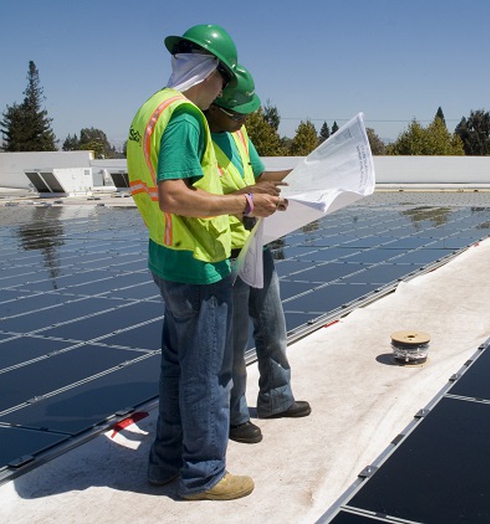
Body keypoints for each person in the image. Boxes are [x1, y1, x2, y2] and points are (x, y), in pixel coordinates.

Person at [126, 24, 281, 501]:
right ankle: (203, 473)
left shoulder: (152, 107)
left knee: (176, 368)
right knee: (207, 374)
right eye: (224, 82)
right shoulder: (186, 115)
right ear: (212, 72)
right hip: (197, 262)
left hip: (167, 256)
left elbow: (172, 193)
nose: (223, 93)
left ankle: (164, 463)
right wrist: (245, 206)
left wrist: (246, 194)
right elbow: (175, 196)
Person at [204, 65, 311, 445]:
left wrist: (306, 172)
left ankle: (276, 397)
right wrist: (247, 195)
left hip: (256, 242)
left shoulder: (238, 133)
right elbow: (205, 198)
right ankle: (233, 416)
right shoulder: (199, 136)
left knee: (273, 325)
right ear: (215, 105)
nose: (242, 121)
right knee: (233, 343)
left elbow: (261, 177)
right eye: (237, 114)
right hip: (226, 250)